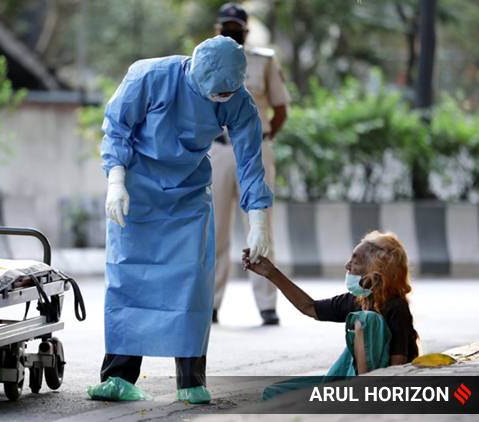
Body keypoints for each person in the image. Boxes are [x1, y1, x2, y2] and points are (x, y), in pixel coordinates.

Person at [88, 35, 273, 404]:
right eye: (216, 94)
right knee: (129, 278)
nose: (222, 99)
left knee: (192, 283)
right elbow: (118, 127)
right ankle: (119, 376)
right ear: (196, 72)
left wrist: (258, 221)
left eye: (228, 93)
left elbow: (250, 161)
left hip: (188, 195)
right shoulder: (149, 77)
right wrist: (115, 180)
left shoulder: (237, 99)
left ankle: (190, 379)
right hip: (136, 191)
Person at [242, 231, 419, 398]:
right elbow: (309, 307)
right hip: (348, 380)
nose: (347, 265)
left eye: (355, 261)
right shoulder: (358, 300)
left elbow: (398, 367)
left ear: (375, 269)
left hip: (381, 388)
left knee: (367, 320)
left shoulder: (396, 306)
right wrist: (271, 273)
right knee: (275, 392)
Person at [211, 3, 291, 325]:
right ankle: (210, 304)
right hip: (218, 150)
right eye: (225, 26)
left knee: (260, 226)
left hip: (256, 149)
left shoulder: (263, 61)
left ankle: (267, 304)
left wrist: (263, 137)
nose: (231, 31)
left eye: (236, 26)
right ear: (218, 29)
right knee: (214, 229)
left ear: (245, 31)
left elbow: (281, 108)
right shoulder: (207, 60)